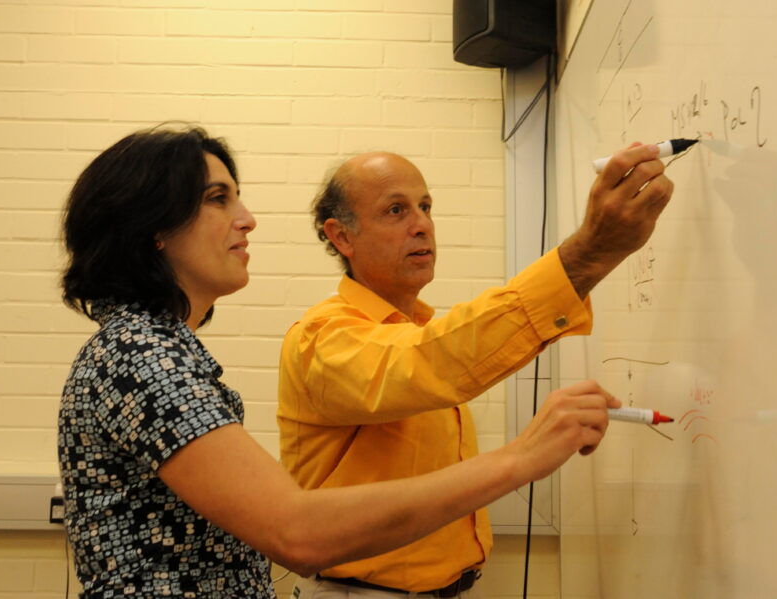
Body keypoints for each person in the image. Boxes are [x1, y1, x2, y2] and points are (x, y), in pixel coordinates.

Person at [58, 125, 621, 598]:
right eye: (217, 198)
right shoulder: (143, 355)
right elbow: (297, 532)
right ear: (153, 228)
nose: (248, 218)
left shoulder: (155, 347)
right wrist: (521, 457)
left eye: (425, 207)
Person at [277, 148, 674, 597]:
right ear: (342, 237)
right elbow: (427, 362)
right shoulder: (321, 338)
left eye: (425, 207)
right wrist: (585, 254)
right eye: (395, 210)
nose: (422, 223)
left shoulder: (418, 330)